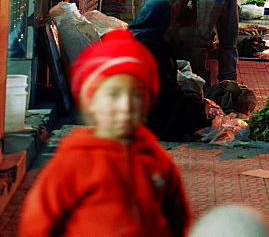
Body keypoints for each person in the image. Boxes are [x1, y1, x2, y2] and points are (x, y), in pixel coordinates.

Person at [19, 30, 190, 236]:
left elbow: (178, 220)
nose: (125, 105)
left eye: (136, 94)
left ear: (149, 102)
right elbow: (37, 223)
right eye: (113, 94)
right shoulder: (73, 162)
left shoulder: (157, 161)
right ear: (91, 101)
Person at [129, 0, 209, 141]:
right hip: (152, 116)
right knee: (196, 105)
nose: (173, 22)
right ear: (162, 19)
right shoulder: (152, 45)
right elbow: (165, 90)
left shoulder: (136, 37)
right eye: (171, 17)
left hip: (140, 110)